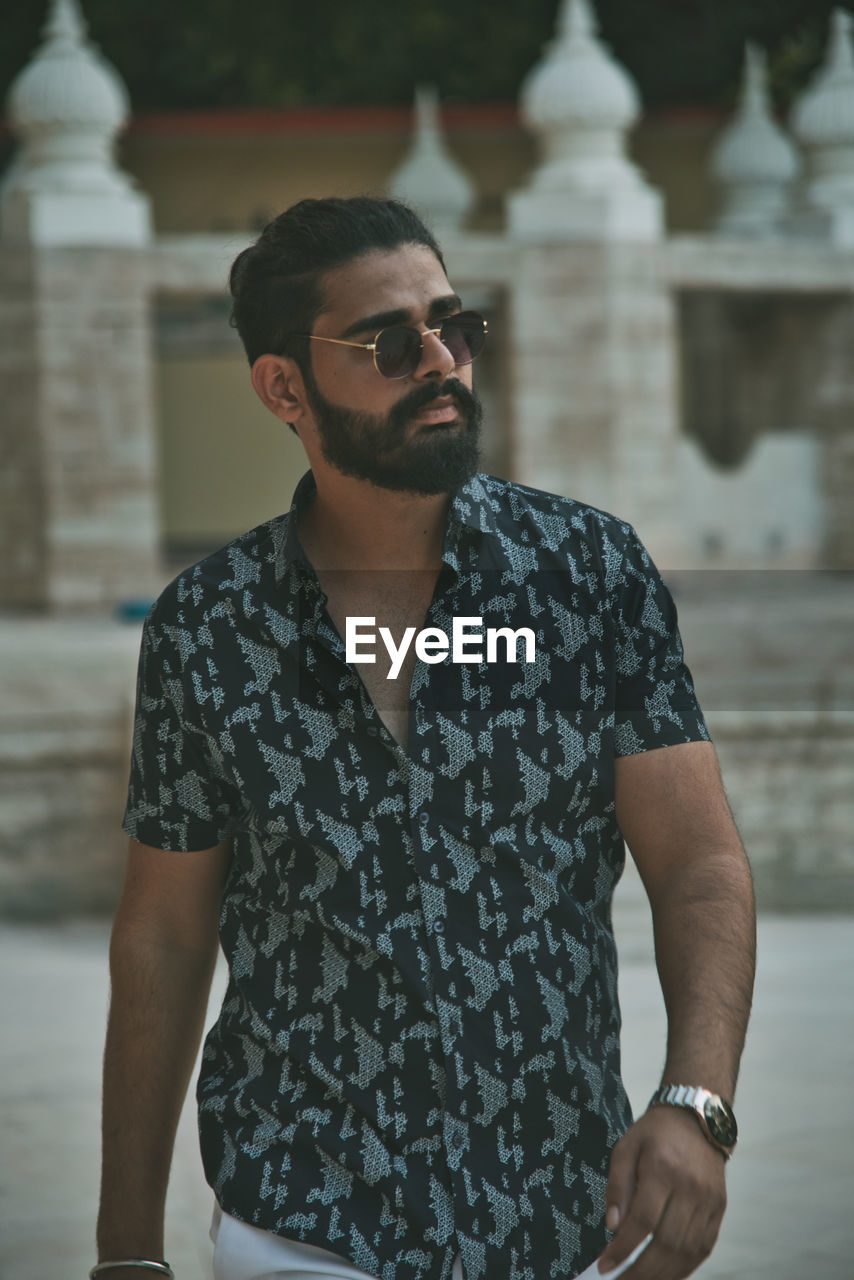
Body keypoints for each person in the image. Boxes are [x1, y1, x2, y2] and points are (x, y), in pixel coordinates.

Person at [94, 196, 756, 1280]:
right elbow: (162, 935)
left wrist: (695, 1102)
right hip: (301, 1223)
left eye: (453, 325)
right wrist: (126, 1250)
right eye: (389, 343)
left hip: (568, 1220)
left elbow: (696, 862)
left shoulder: (587, 575)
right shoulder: (208, 629)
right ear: (282, 388)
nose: (440, 361)